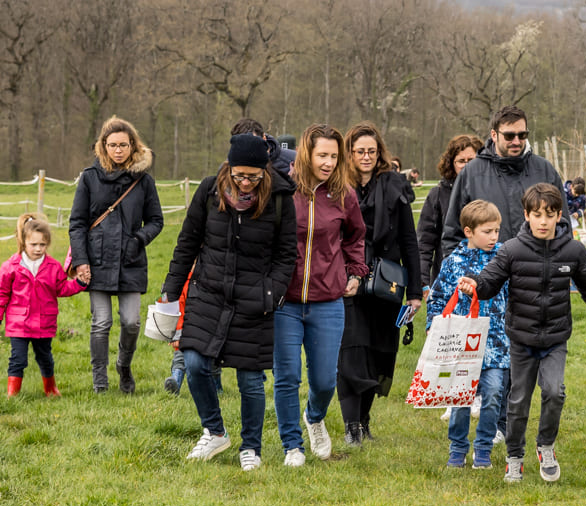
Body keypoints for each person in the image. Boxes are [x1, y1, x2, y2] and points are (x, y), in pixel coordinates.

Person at [457, 184, 586, 484]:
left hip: (555, 339)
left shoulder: (573, 251)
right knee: (518, 401)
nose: (543, 222)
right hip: (521, 339)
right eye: (537, 215)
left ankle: (545, 445)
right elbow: (489, 282)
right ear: (527, 215)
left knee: (554, 392)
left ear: (560, 215)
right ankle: (514, 457)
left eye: (550, 215)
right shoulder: (512, 250)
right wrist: (474, 284)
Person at [161, 135, 297, 470]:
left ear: (265, 171)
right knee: (194, 362)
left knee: (250, 380)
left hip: (255, 300)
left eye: (254, 176)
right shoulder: (209, 191)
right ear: (229, 168)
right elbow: (187, 242)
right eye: (240, 176)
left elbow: (286, 255)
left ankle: (251, 447)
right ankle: (214, 431)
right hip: (207, 293)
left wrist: (271, 293)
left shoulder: (280, 199)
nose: (246, 183)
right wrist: (170, 291)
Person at [276, 124, 367, 467]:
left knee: (325, 380)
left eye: (334, 156)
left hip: (328, 300)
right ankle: (292, 446)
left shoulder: (344, 195)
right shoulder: (284, 190)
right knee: (287, 376)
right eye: (322, 155)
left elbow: (356, 236)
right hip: (284, 301)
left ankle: (314, 417)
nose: (328, 162)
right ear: (306, 155)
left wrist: (355, 271)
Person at [336, 123, 422, 446]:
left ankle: (364, 420)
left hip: (387, 282)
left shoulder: (395, 185)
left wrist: (415, 291)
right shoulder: (337, 186)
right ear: (349, 153)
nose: (366, 157)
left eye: (371, 151)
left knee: (378, 352)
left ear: (379, 152)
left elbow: (409, 240)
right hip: (347, 280)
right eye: (360, 151)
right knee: (351, 351)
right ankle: (350, 426)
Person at [68, 116, 164, 394]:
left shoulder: (144, 181)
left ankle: (124, 366)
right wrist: (81, 261)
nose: (118, 150)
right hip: (96, 259)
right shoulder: (89, 177)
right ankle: (100, 381)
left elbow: (156, 220)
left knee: (131, 322)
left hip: (130, 259)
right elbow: (77, 223)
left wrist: (139, 240)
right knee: (101, 323)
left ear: (133, 145)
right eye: (112, 145)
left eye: (123, 145)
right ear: (103, 146)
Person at [430, 199, 511, 468]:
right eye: (487, 231)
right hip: (461, 344)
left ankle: (484, 447)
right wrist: (433, 327)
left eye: (496, 230)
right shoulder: (453, 262)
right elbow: (438, 297)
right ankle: (457, 448)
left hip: (497, 342)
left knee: (494, 393)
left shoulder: (504, 259)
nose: (494, 236)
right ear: (468, 232)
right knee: (460, 397)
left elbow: (515, 295)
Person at [440, 107, 565, 257]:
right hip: (488, 269)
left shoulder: (544, 170)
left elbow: (563, 226)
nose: (516, 141)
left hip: (538, 267)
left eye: (522, 135)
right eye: (509, 136)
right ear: (494, 135)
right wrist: (462, 268)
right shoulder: (471, 174)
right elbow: (453, 233)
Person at [0, 212, 84, 397]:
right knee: (18, 359)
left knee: (45, 358)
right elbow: (0, 293)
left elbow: (62, 288)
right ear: (23, 242)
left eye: (42, 244)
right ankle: (12, 394)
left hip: (44, 323)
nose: (38, 249)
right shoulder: (10, 266)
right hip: (19, 324)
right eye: (33, 244)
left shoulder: (54, 266)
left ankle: (51, 388)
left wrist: (79, 284)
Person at [418, 133, 481, 288]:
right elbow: (424, 242)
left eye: (471, 160)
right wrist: (422, 280)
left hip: (486, 277)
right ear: (451, 163)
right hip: (448, 276)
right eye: (461, 161)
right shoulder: (438, 195)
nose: (466, 165)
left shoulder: (490, 191)